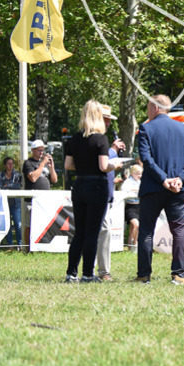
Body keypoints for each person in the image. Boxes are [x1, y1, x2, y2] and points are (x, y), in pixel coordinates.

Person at [136, 94, 184, 285]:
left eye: (148, 107)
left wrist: (164, 180)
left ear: (155, 108)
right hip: (179, 190)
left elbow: (146, 159)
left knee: (146, 231)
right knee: (179, 230)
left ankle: (144, 274)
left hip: (153, 187)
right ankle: (178, 274)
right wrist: (180, 179)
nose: (147, 111)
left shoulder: (146, 128)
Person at [63, 100, 125, 283]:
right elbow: (104, 166)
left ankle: (71, 273)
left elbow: (68, 165)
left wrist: (83, 166)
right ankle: (88, 274)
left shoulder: (74, 138)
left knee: (79, 232)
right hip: (96, 187)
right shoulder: (101, 139)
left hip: (79, 185)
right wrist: (117, 164)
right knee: (92, 232)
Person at [95, 103, 126, 281]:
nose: (108, 124)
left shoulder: (103, 139)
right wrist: (113, 152)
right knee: (103, 230)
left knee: (102, 231)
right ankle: (102, 271)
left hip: (105, 194)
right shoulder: (97, 139)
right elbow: (100, 162)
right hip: (96, 193)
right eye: (106, 120)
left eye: (108, 120)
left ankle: (98, 271)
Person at [0, 156, 23, 247]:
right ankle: (10, 245)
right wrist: (8, 186)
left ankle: (20, 244)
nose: (11, 165)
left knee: (18, 224)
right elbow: (0, 187)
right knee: (8, 225)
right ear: (5, 165)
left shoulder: (17, 174)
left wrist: (6, 185)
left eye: (12, 163)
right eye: (9, 163)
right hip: (5, 203)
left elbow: (17, 186)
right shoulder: (1, 175)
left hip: (16, 203)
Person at [120, 163, 142, 248]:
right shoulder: (128, 182)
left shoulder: (140, 182)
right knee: (136, 225)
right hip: (130, 207)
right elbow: (124, 189)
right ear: (132, 173)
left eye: (140, 174)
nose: (139, 176)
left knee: (133, 228)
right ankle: (135, 244)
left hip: (139, 206)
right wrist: (136, 189)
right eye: (138, 174)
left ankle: (130, 246)